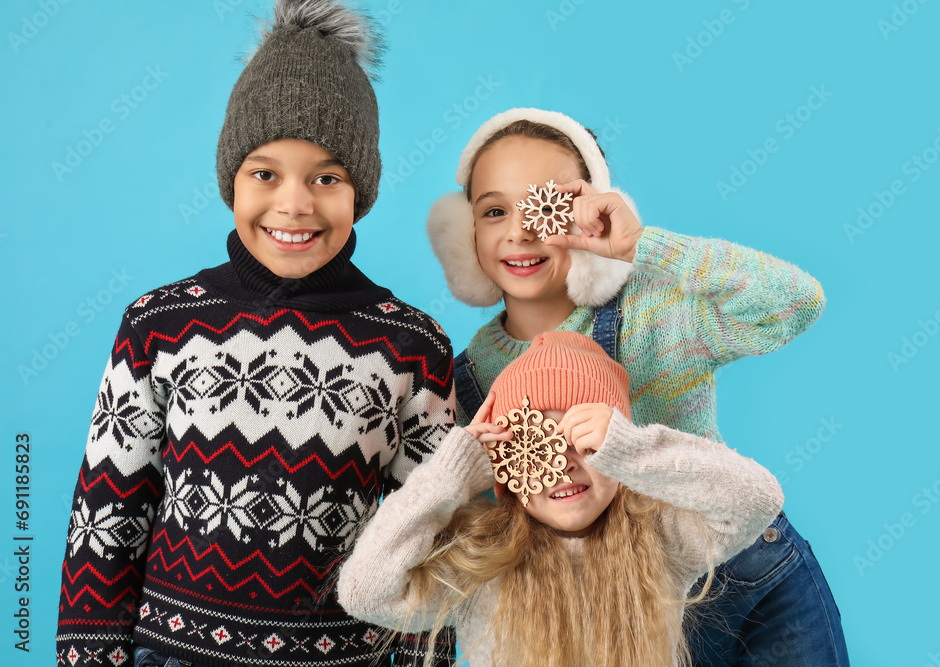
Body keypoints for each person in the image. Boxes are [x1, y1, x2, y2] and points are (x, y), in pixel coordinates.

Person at [55, 3, 454, 666]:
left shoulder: (411, 346)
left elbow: (426, 540)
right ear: (230, 181)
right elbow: (107, 514)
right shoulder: (158, 325)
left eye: (327, 177)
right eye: (264, 173)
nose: (294, 203)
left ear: (362, 188)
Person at [425, 108, 849, 664]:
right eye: (495, 210)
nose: (521, 231)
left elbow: (794, 305)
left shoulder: (656, 311)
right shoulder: (471, 381)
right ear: (466, 234)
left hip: (749, 574)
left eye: (544, 207)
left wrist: (638, 248)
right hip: (629, 604)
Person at [338, 331, 784, 667]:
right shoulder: (483, 563)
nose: (564, 463)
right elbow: (365, 594)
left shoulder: (663, 541)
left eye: (585, 443)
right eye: (538, 445)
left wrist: (632, 449)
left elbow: (757, 499)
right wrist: (449, 477)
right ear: (507, 467)